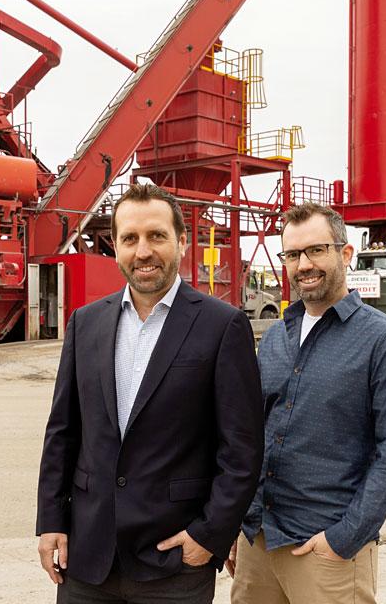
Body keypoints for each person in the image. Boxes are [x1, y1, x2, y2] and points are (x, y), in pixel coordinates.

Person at [36, 183, 263, 603]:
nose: (143, 251)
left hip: (174, 559)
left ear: (182, 241)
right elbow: (62, 434)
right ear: (116, 247)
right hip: (87, 558)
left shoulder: (222, 326)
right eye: (130, 239)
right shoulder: (85, 323)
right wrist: (51, 521)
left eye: (156, 236)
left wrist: (209, 535)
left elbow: (242, 450)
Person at [230, 203, 386, 604]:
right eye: (293, 254)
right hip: (258, 541)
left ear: (345, 254)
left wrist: (343, 539)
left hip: (326, 549)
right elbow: (253, 434)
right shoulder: (277, 338)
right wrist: (239, 520)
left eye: (316, 250)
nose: (304, 264)